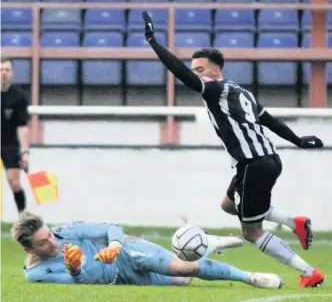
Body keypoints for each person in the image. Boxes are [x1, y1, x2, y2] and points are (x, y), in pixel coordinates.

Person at [142, 12, 324, 288]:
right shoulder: (241, 92)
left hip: (254, 164)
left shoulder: (216, 90)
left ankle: (309, 272)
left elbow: (180, 73)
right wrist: (298, 141)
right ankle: (293, 222)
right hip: (262, 161)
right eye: (195, 69)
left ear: (216, 71)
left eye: (200, 70)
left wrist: (154, 42)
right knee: (228, 204)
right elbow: (269, 120)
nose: (195, 74)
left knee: (252, 232)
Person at [12, 210, 283, 288]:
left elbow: (110, 227)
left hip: (128, 251)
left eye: (49, 234)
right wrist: (75, 269)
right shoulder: (35, 275)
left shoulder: (65, 231)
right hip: (124, 281)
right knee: (184, 280)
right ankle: (208, 245)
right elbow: (81, 282)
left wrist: (116, 246)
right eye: (43, 242)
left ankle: (251, 277)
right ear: (29, 250)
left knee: (184, 266)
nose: (53, 241)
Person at [1, 58, 30, 214]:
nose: (3, 73)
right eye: (0, 70)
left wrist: (25, 152)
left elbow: (23, 126)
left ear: (12, 73)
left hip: (10, 144)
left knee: (15, 183)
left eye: (6, 70)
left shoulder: (19, 96)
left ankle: (25, 221)